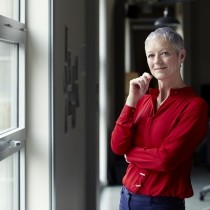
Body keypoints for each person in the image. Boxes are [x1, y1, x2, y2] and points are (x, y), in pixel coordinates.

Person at [111, 27, 209, 210]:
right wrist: (131, 101)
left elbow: (166, 159)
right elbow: (117, 146)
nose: (157, 61)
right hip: (126, 198)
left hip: (161, 203)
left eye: (164, 53)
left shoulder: (195, 106)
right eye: (151, 55)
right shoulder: (142, 100)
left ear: (181, 56)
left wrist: (130, 154)